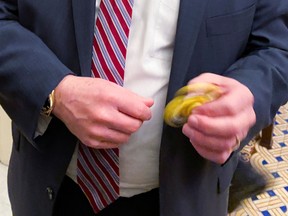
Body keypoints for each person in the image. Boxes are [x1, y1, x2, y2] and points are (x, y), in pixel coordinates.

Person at [0, 0, 287, 215]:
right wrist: (55, 92)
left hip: (183, 194)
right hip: (50, 185)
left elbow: (278, 46)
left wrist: (250, 92)